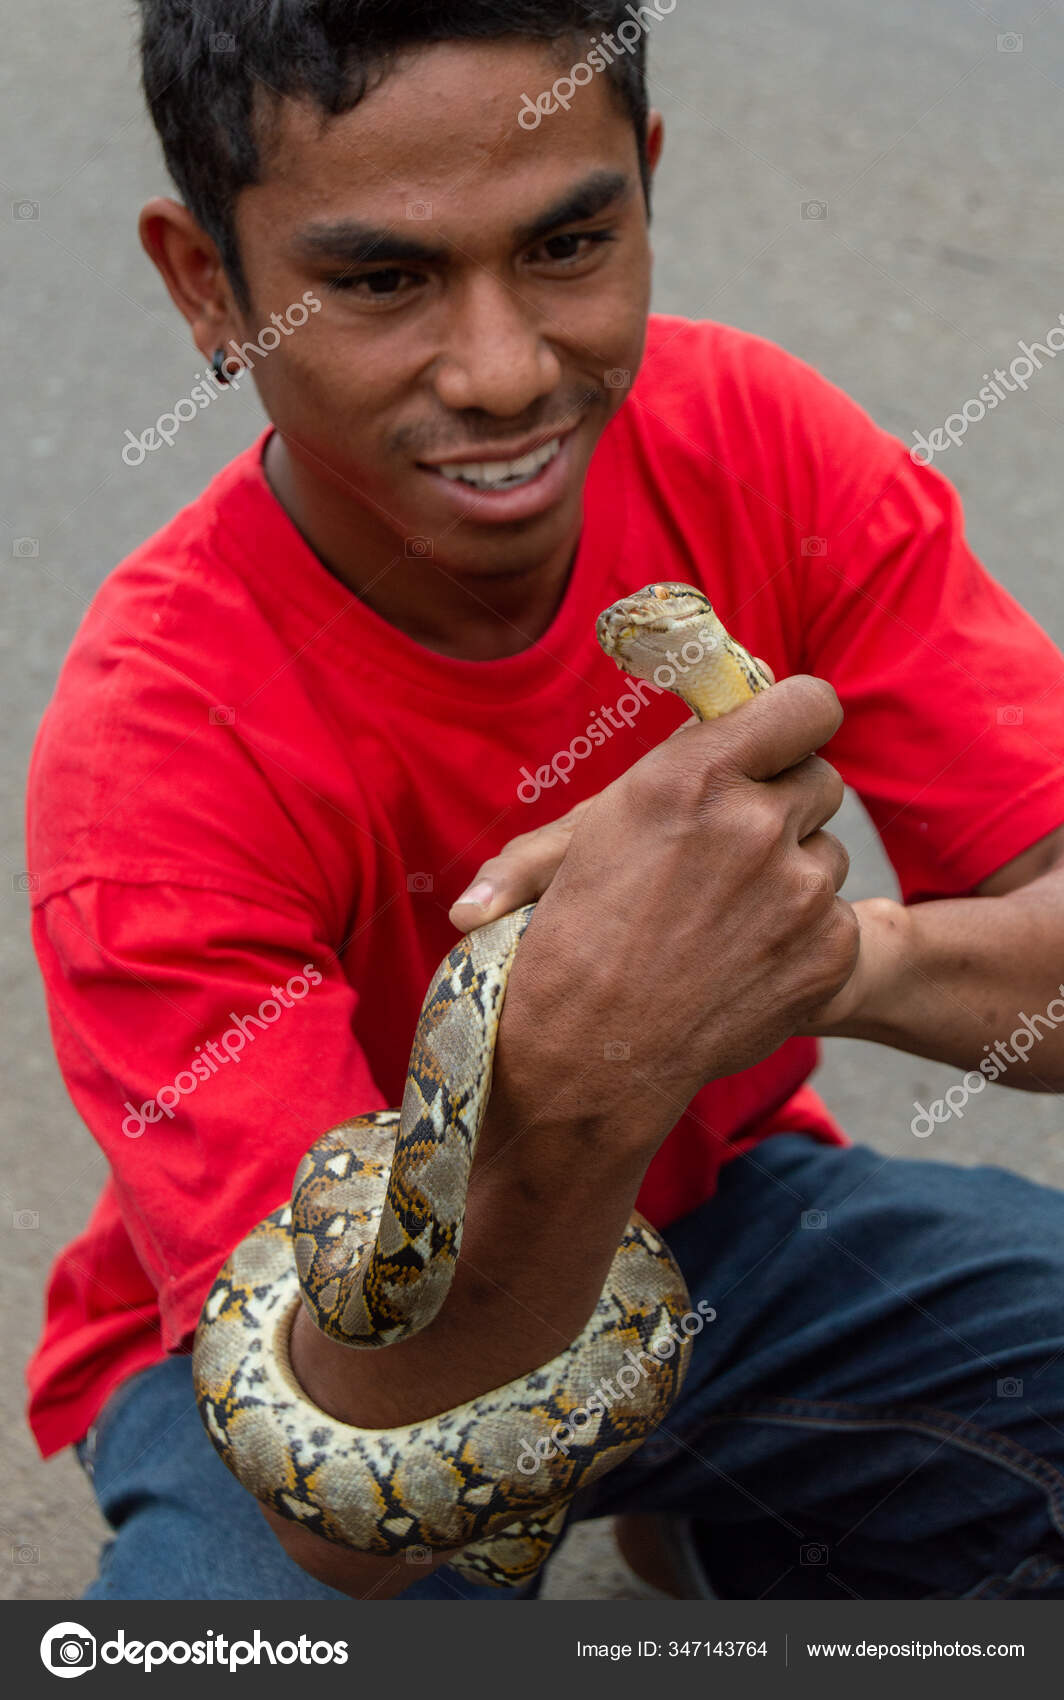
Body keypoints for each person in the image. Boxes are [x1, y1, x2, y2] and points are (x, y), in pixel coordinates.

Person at [24, 1, 1064, 1602]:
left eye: (571, 245)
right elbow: (335, 1498)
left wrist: (836, 962)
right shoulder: (152, 750)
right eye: (378, 281)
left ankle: (732, 1507)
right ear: (207, 288)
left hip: (717, 1224)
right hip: (316, 1336)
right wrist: (589, 1069)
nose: (508, 375)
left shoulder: (762, 445)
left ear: (645, 186)